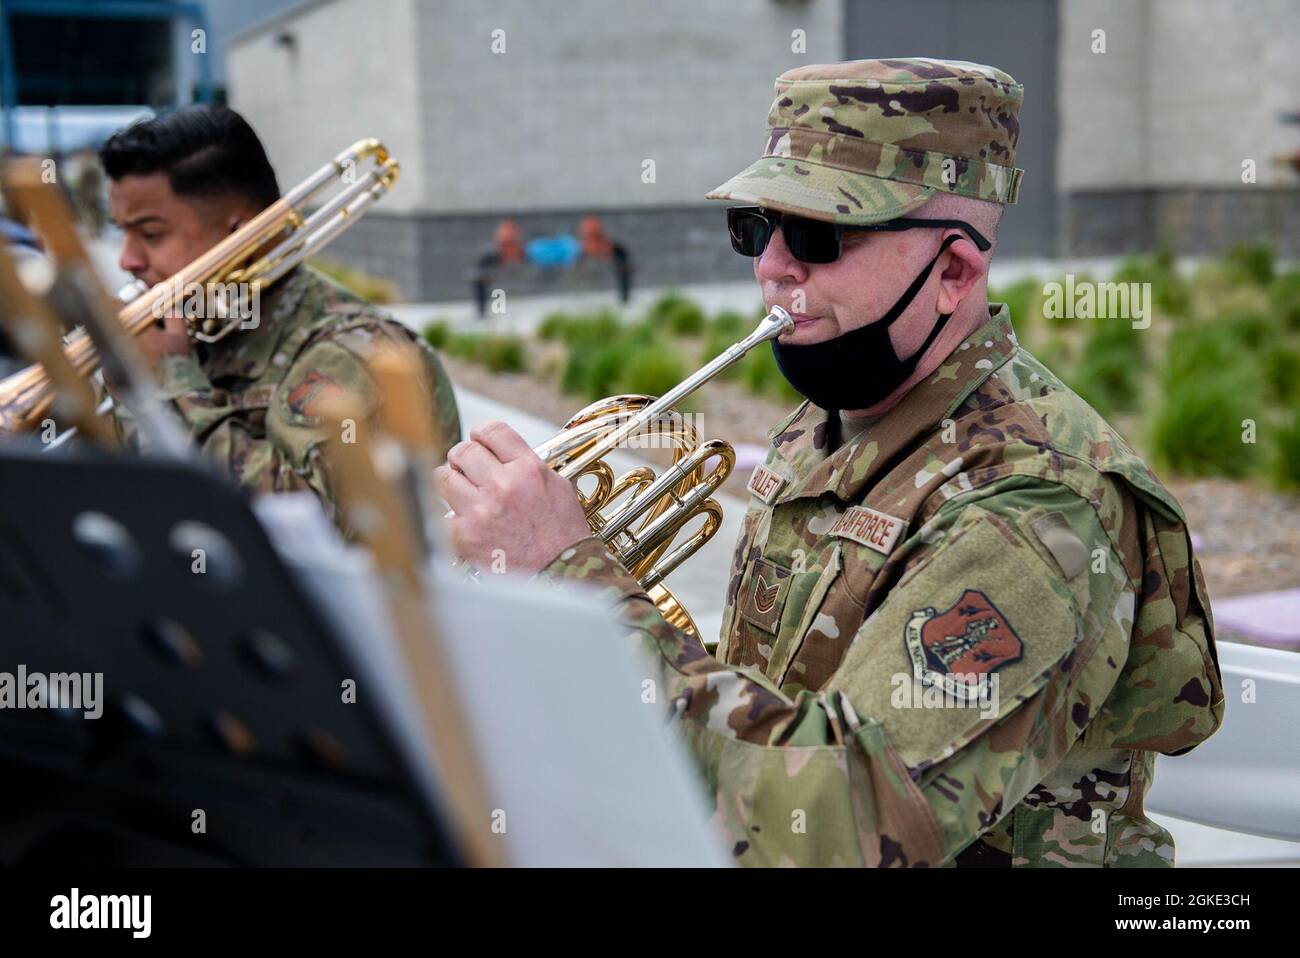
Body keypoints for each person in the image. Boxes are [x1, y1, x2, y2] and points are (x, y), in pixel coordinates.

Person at [433, 59, 1223, 867]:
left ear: (953, 273)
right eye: (755, 227)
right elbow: (775, 692)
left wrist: (573, 577)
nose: (773, 266)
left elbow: (840, 820)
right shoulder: (833, 419)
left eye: (818, 234)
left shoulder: (1038, 506)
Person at [99, 105, 459, 529]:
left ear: (239, 237)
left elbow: (303, 525)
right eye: (121, 232)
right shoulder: (196, 323)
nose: (127, 260)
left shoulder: (355, 351)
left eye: (151, 234)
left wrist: (168, 382)